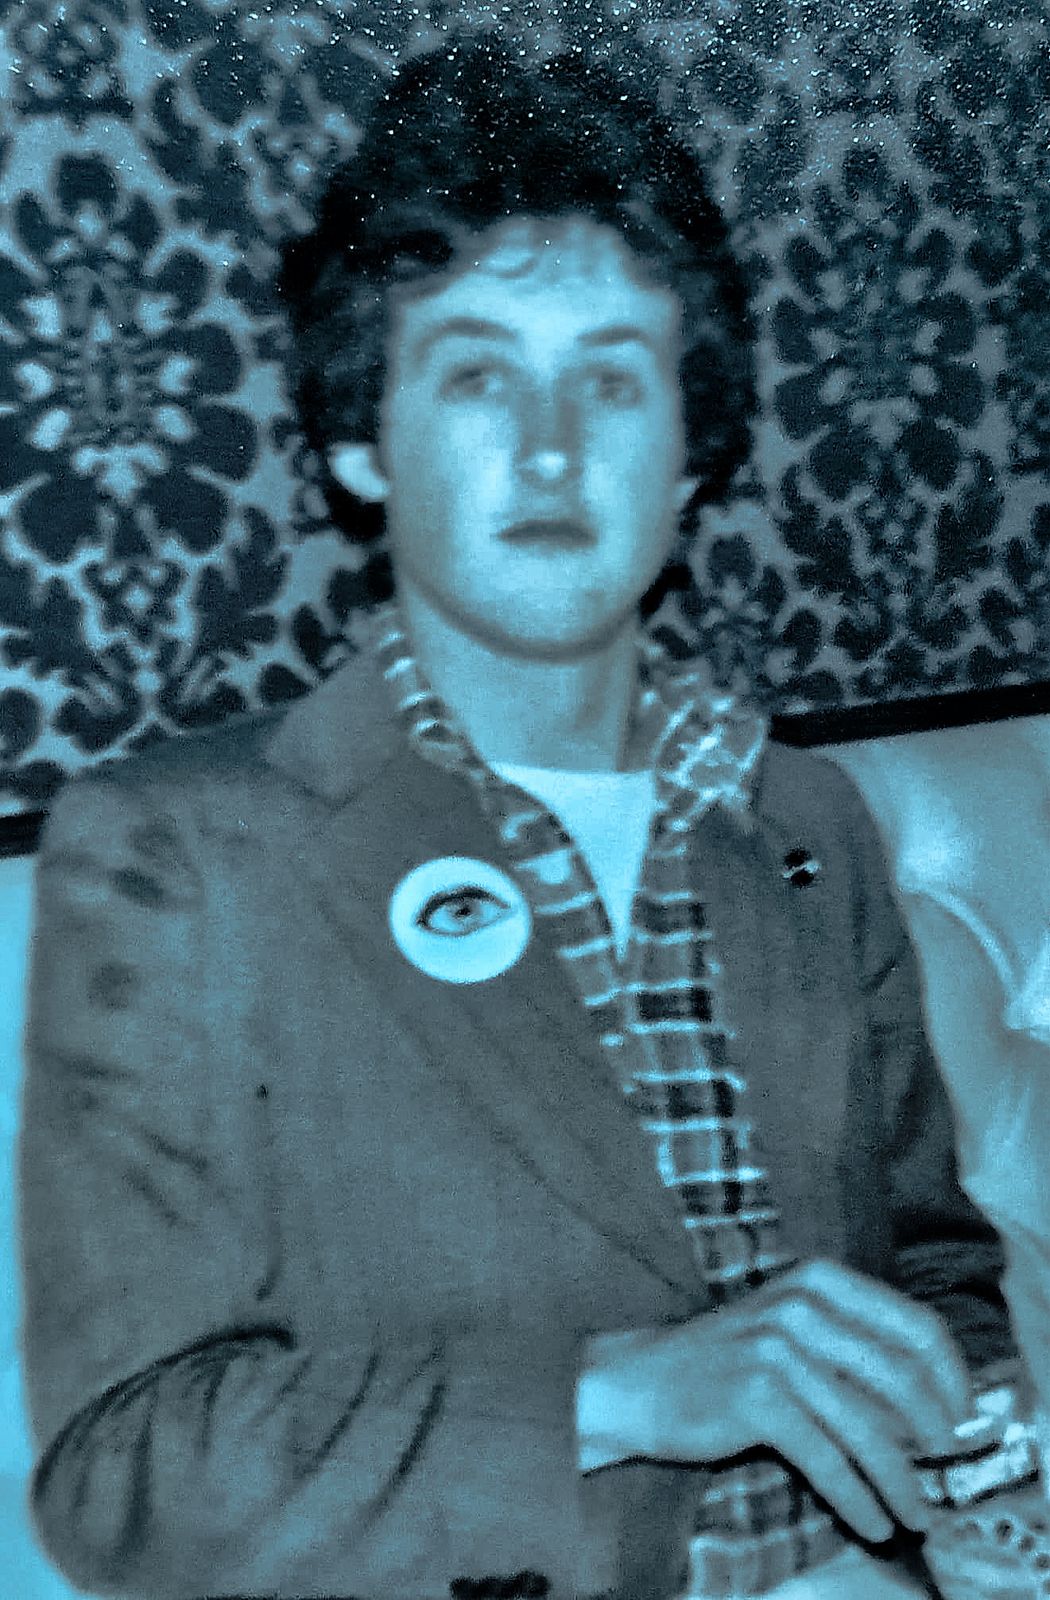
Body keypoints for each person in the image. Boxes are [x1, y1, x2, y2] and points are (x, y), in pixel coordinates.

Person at [19, 41, 1019, 1600]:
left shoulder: (799, 817)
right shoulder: (182, 855)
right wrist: (615, 1394)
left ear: (689, 454)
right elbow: (124, 1474)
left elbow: (934, 1271)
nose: (552, 447)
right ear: (362, 445)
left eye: (613, 380)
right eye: (477, 374)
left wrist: (980, 1464)